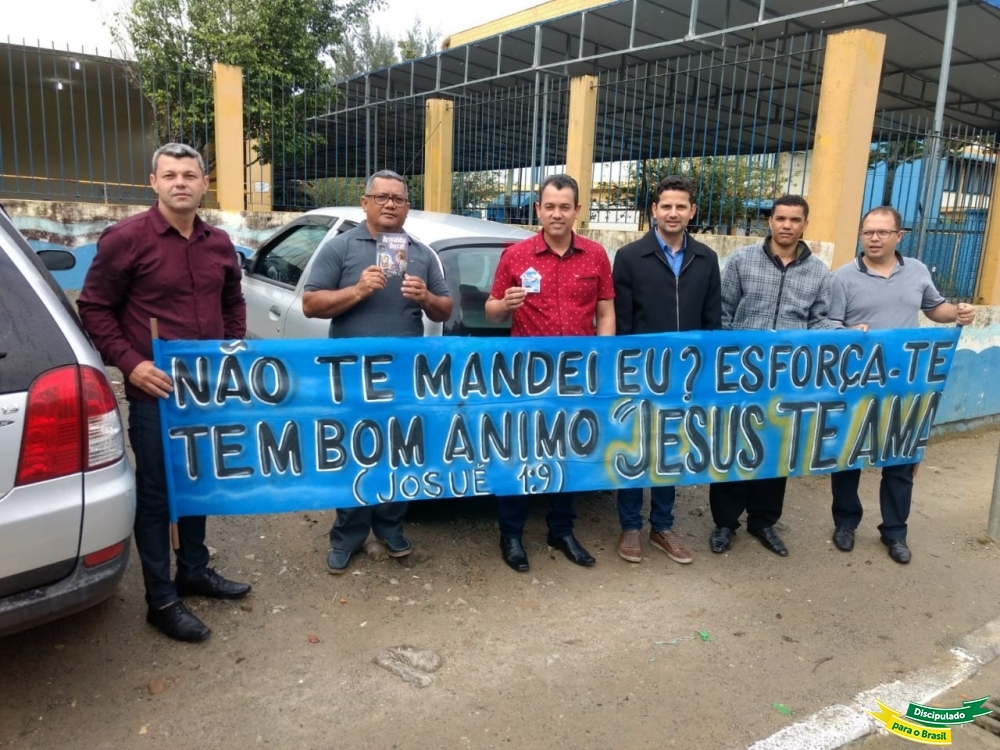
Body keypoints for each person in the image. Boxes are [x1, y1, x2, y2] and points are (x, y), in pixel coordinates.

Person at [78, 143, 250, 643]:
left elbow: (233, 300)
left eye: (189, 175)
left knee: (198, 482)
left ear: (204, 184)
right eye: (170, 175)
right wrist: (131, 365)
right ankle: (161, 599)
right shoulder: (125, 240)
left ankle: (193, 570)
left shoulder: (219, 244)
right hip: (155, 392)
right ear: (153, 182)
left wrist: (231, 348)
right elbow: (94, 308)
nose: (180, 183)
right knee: (157, 493)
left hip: (207, 391)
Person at [301, 169, 453, 574]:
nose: (389, 204)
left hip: (403, 377)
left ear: (408, 207)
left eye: (398, 199)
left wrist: (426, 297)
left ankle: (390, 527)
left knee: (399, 452)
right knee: (354, 454)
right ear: (364, 202)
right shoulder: (340, 247)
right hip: (352, 376)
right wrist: (358, 290)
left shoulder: (421, 253)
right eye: (381, 197)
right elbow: (311, 304)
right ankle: (348, 536)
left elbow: (445, 309)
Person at [828, 206, 976, 564]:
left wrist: (958, 312)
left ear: (899, 235)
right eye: (868, 232)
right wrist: (848, 332)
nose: (874, 238)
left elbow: (934, 308)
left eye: (882, 232)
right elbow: (828, 324)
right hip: (856, 383)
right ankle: (845, 523)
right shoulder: (843, 277)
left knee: (901, 458)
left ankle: (895, 531)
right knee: (847, 456)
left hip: (905, 383)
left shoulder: (918, 271)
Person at [484, 173, 615, 572]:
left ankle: (562, 529)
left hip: (577, 375)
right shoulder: (515, 255)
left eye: (565, 207)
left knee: (570, 453)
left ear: (577, 211)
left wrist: (603, 359)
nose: (557, 214)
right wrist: (504, 305)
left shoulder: (596, 255)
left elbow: (606, 311)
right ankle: (511, 534)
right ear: (538, 209)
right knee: (520, 452)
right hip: (527, 377)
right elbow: (491, 309)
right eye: (550, 206)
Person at [709, 194, 840, 558]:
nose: (787, 225)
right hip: (741, 374)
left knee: (777, 447)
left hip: (787, 378)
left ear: (805, 224)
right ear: (770, 221)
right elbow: (723, 312)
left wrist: (847, 335)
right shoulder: (742, 260)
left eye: (795, 220)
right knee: (734, 445)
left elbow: (818, 321)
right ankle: (724, 522)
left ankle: (764, 520)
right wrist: (729, 361)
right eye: (781, 218)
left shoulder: (818, 272)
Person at [612, 175, 721, 565]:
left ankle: (662, 525)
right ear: (654, 210)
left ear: (692, 211)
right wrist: (623, 370)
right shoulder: (629, 257)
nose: (673, 213)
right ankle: (630, 525)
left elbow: (712, 322)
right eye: (666, 206)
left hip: (686, 376)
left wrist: (705, 372)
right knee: (635, 446)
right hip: (639, 373)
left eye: (681, 206)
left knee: (671, 448)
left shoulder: (706, 259)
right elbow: (621, 322)